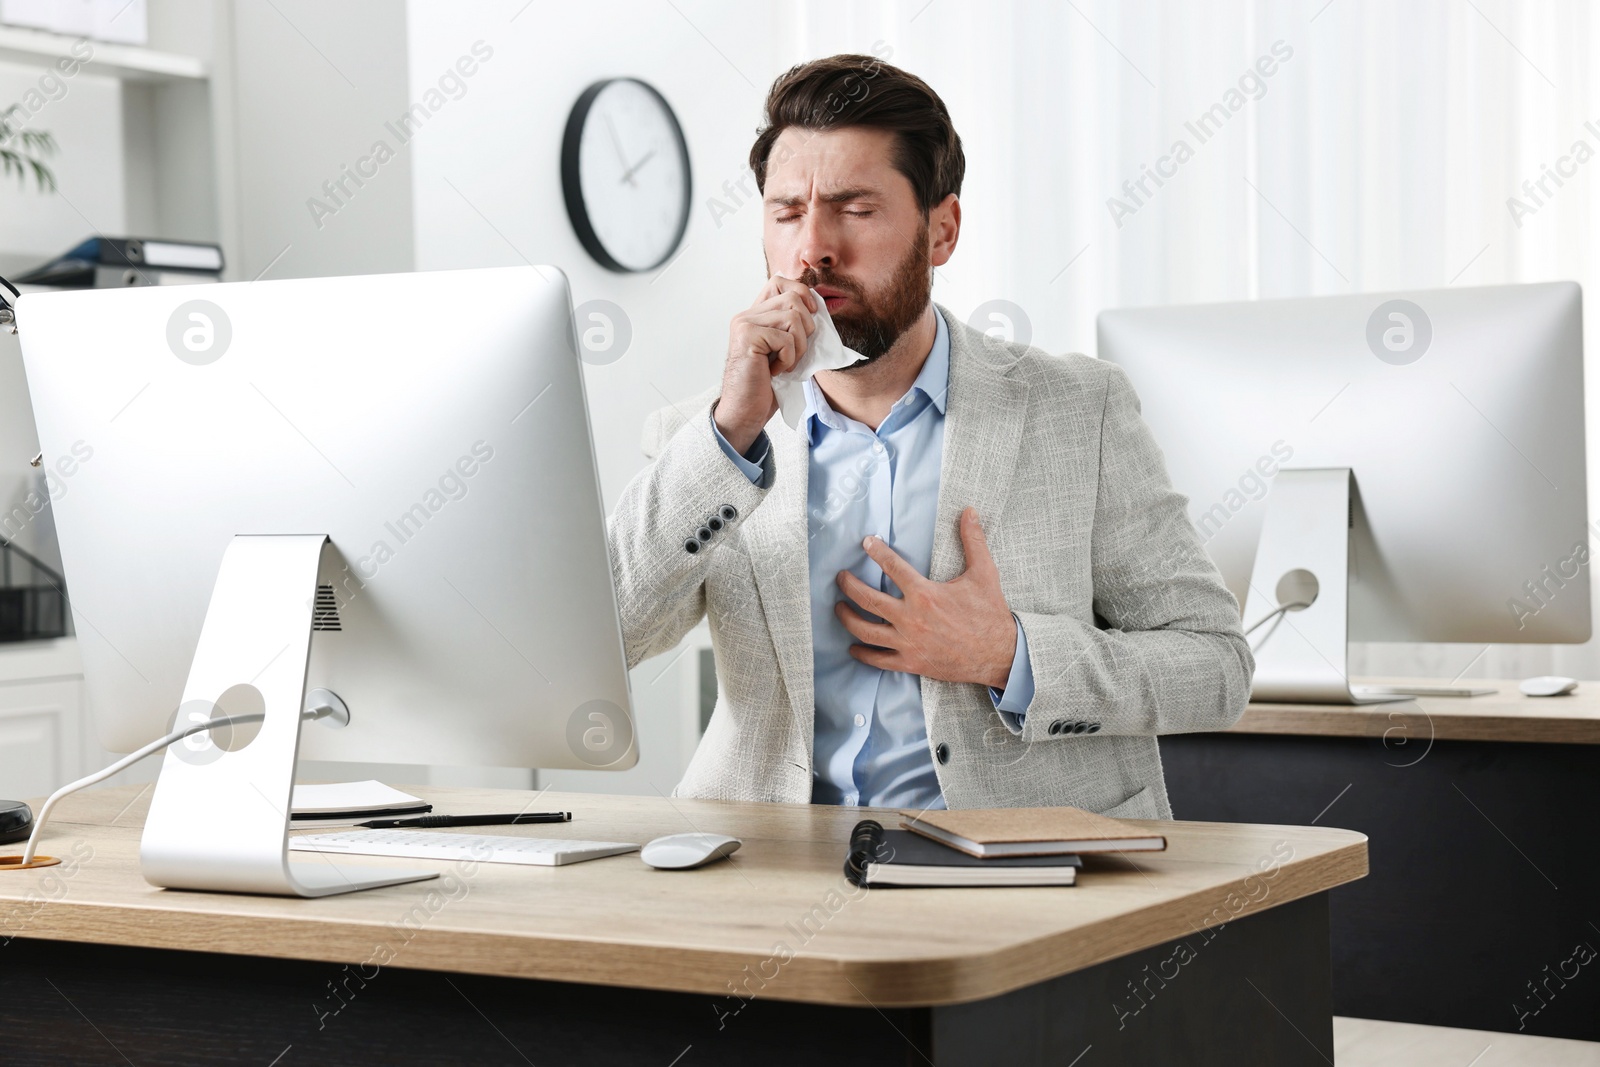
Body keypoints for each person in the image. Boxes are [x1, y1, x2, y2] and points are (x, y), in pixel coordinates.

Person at [607, 54, 1251, 817]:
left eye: (854, 208)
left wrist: (1009, 654)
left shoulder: (1082, 410)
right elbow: (605, 641)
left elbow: (1215, 667)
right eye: (787, 212)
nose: (813, 247)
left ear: (941, 230)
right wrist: (730, 431)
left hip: (1019, 873)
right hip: (774, 870)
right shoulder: (702, 438)